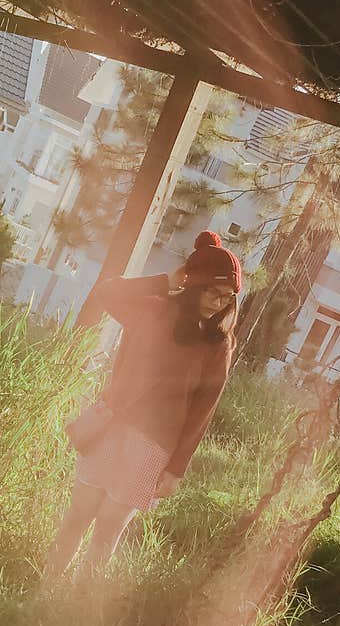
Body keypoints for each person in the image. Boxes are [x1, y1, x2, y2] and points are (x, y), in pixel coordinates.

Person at [44, 231, 243, 579]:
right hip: (110, 428)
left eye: (227, 297)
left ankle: (71, 609)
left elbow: (202, 411)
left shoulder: (218, 344)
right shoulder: (154, 309)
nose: (218, 302)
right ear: (194, 284)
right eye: (212, 290)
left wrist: (177, 468)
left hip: (153, 448)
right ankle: (43, 595)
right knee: (77, 517)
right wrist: (166, 280)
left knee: (106, 534)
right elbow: (108, 292)